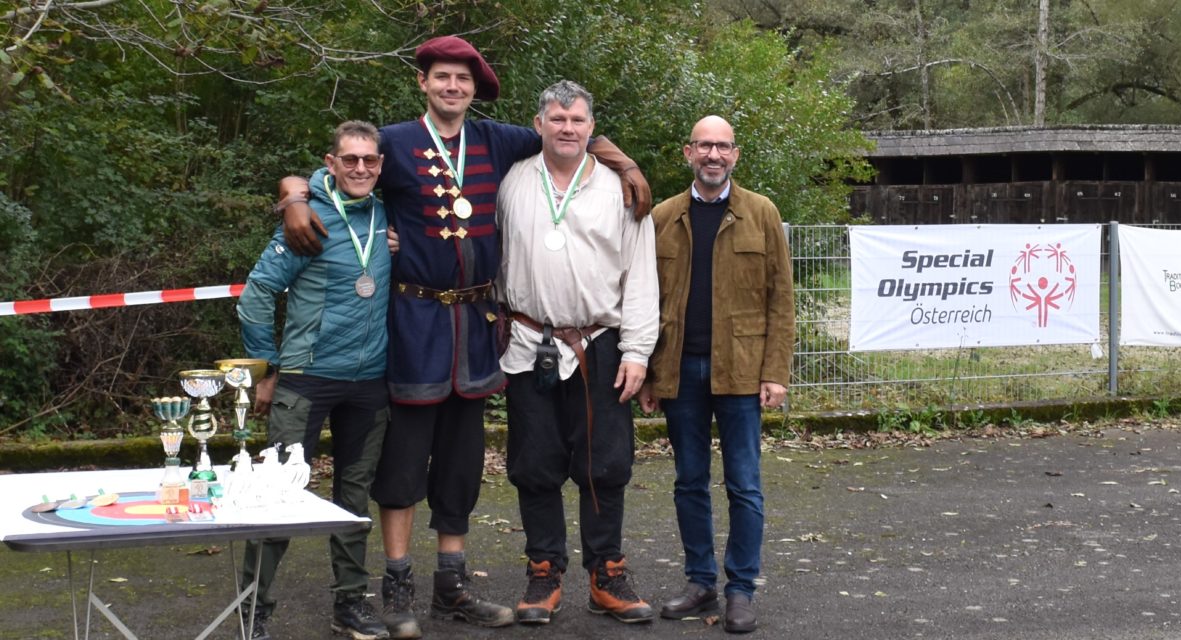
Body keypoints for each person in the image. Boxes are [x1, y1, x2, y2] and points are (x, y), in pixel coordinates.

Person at [273, 36, 652, 638]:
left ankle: (451, 587)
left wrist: (625, 163)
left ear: (475, 90)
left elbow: (571, 136)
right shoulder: (393, 143)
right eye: (442, 77)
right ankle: (398, 584)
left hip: (477, 329)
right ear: (422, 82)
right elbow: (335, 169)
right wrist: (293, 197)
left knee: (461, 464)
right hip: (413, 325)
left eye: (462, 80)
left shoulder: (499, 141)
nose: (453, 87)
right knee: (400, 465)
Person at [496, 79, 659, 626]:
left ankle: (606, 573)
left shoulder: (621, 188)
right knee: (533, 464)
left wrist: (637, 351)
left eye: (578, 120)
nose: (568, 128)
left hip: (601, 343)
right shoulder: (512, 180)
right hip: (527, 342)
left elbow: (641, 274)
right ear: (539, 123)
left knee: (605, 464)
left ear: (593, 127)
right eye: (558, 119)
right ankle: (543, 572)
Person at [638, 115, 795, 634]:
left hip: (743, 373)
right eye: (704, 145)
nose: (713, 155)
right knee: (689, 482)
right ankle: (700, 580)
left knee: (745, 485)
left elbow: (781, 299)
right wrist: (652, 374)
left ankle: (740, 589)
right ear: (688, 153)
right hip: (680, 371)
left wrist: (775, 372)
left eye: (722, 147)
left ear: (736, 154)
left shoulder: (761, 213)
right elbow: (645, 302)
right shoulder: (662, 216)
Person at [237, 120, 393, 640]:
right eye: (349, 159)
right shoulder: (305, 220)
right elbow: (256, 295)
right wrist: (267, 368)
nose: (360, 168)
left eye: (369, 160)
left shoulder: (387, 213)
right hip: (306, 379)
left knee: (354, 500)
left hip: (369, 381)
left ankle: (350, 604)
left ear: (380, 165)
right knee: (278, 496)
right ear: (330, 163)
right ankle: (252, 609)